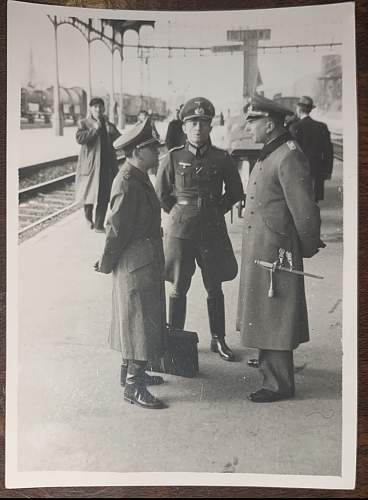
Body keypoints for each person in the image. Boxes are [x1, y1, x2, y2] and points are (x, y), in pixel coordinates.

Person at [236, 94, 323, 403]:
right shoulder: (273, 151)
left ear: (269, 124)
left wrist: (308, 245)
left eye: (252, 121)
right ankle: (271, 368)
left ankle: (278, 384)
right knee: (265, 311)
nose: (249, 128)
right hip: (264, 245)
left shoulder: (288, 155)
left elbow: (305, 209)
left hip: (276, 249)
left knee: (275, 312)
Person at [156, 97, 244, 362]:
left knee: (214, 286)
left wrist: (218, 211)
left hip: (212, 231)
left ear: (210, 126)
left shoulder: (222, 158)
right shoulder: (172, 158)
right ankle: (175, 338)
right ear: (184, 127)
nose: (198, 128)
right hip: (181, 232)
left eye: (203, 123)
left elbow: (236, 191)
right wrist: (177, 212)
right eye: (192, 122)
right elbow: (161, 193)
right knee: (178, 287)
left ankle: (218, 339)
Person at [95, 118, 168, 410]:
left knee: (135, 318)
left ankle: (130, 373)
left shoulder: (136, 175)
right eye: (153, 149)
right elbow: (115, 229)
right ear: (138, 151)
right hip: (135, 262)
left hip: (142, 259)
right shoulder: (128, 181)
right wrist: (104, 262)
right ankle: (133, 387)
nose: (158, 153)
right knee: (138, 321)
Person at [75, 97, 121, 232]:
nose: (98, 109)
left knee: (104, 195)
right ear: (90, 108)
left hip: (107, 166)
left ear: (104, 109)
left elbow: (119, 139)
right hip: (91, 166)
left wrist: (114, 133)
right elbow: (80, 139)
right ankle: (88, 219)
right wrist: (94, 130)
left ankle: (98, 225)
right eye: (95, 107)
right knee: (89, 193)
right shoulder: (83, 123)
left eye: (100, 107)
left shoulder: (108, 124)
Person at [289, 96, 334, 202]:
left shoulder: (294, 127)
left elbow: (291, 151)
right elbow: (328, 151)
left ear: (299, 110)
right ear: (310, 110)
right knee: (313, 200)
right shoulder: (321, 127)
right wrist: (328, 171)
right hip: (317, 169)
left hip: (299, 170)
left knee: (300, 201)